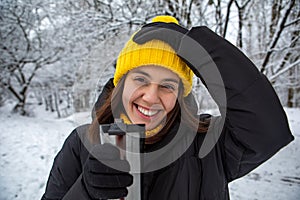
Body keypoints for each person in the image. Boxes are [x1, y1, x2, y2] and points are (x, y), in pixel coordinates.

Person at [41, 15, 294, 200]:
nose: (151, 97)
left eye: (167, 86)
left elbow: (267, 129)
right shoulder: (81, 143)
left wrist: (198, 49)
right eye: (140, 79)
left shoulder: (209, 144)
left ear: (179, 95)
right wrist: (85, 191)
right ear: (121, 84)